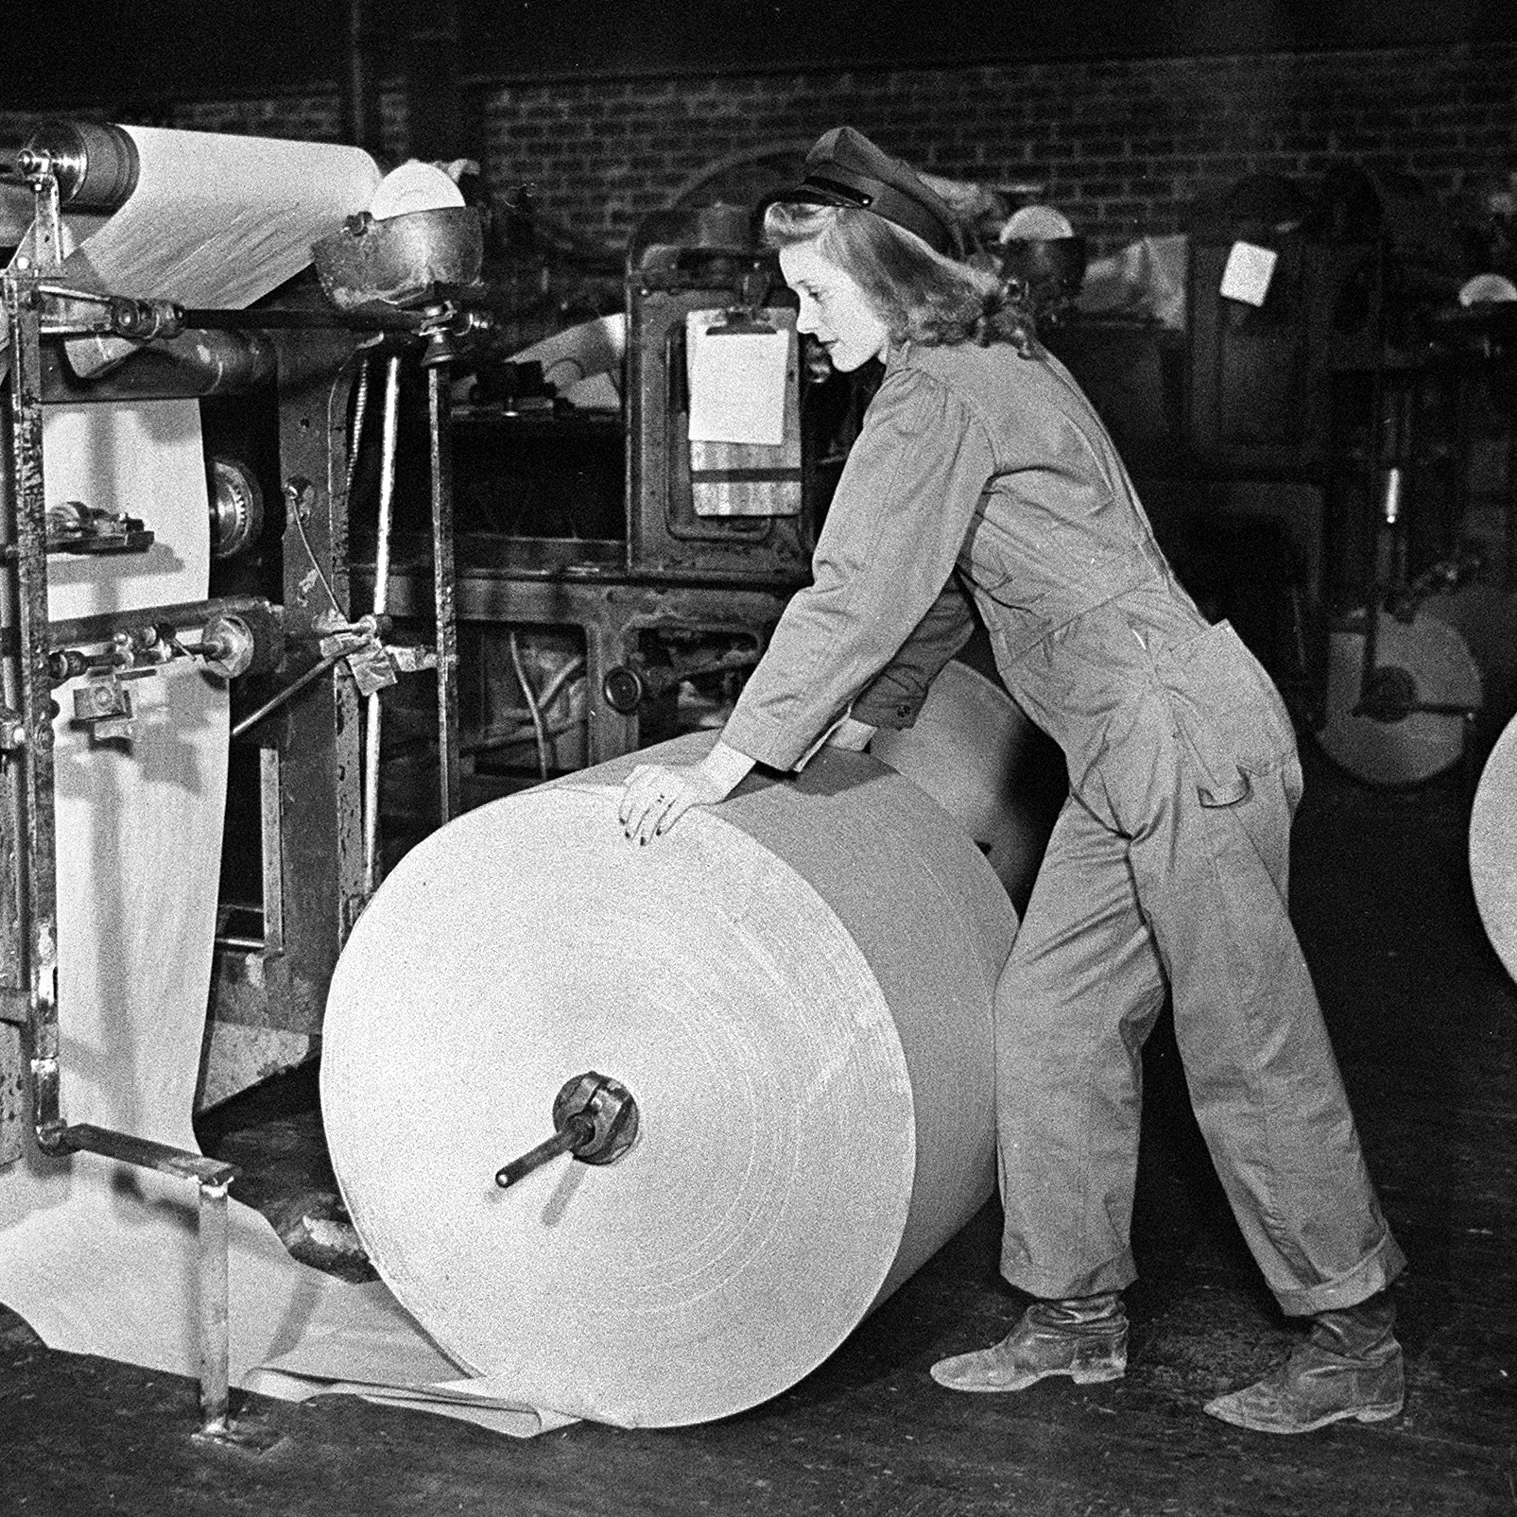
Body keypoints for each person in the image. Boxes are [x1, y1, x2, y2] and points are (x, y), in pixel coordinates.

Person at [617, 125, 1406, 1435]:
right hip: (1128, 746)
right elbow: (940, 592)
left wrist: (724, 764)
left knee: (1245, 1039)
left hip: (1177, 737)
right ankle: (1076, 1312)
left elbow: (858, 586)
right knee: (1051, 1022)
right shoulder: (986, 360)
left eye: (816, 293)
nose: (804, 327)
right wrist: (867, 723)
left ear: (890, 267)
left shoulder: (939, 389)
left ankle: (1355, 1334)